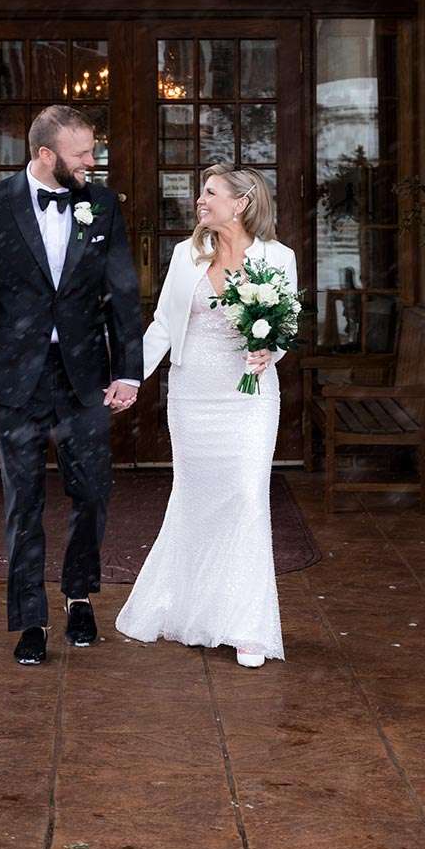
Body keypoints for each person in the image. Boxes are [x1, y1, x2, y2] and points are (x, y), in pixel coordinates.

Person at [0, 105, 142, 665]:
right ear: (45, 155)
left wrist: (127, 369)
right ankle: (29, 619)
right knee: (23, 500)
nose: (93, 162)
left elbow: (122, 294)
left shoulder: (101, 204)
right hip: (14, 378)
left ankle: (79, 596)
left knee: (91, 493)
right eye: (83, 154)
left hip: (84, 374)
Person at [116, 165, 296, 668]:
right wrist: (133, 377)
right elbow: (164, 324)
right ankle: (190, 609)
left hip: (250, 397)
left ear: (240, 203)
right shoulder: (187, 254)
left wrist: (270, 353)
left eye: (210, 192)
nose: (200, 200)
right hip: (194, 395)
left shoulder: (278, 258)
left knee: (245, 497)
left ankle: (246, 626)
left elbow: (286, 325)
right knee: (195, 499)